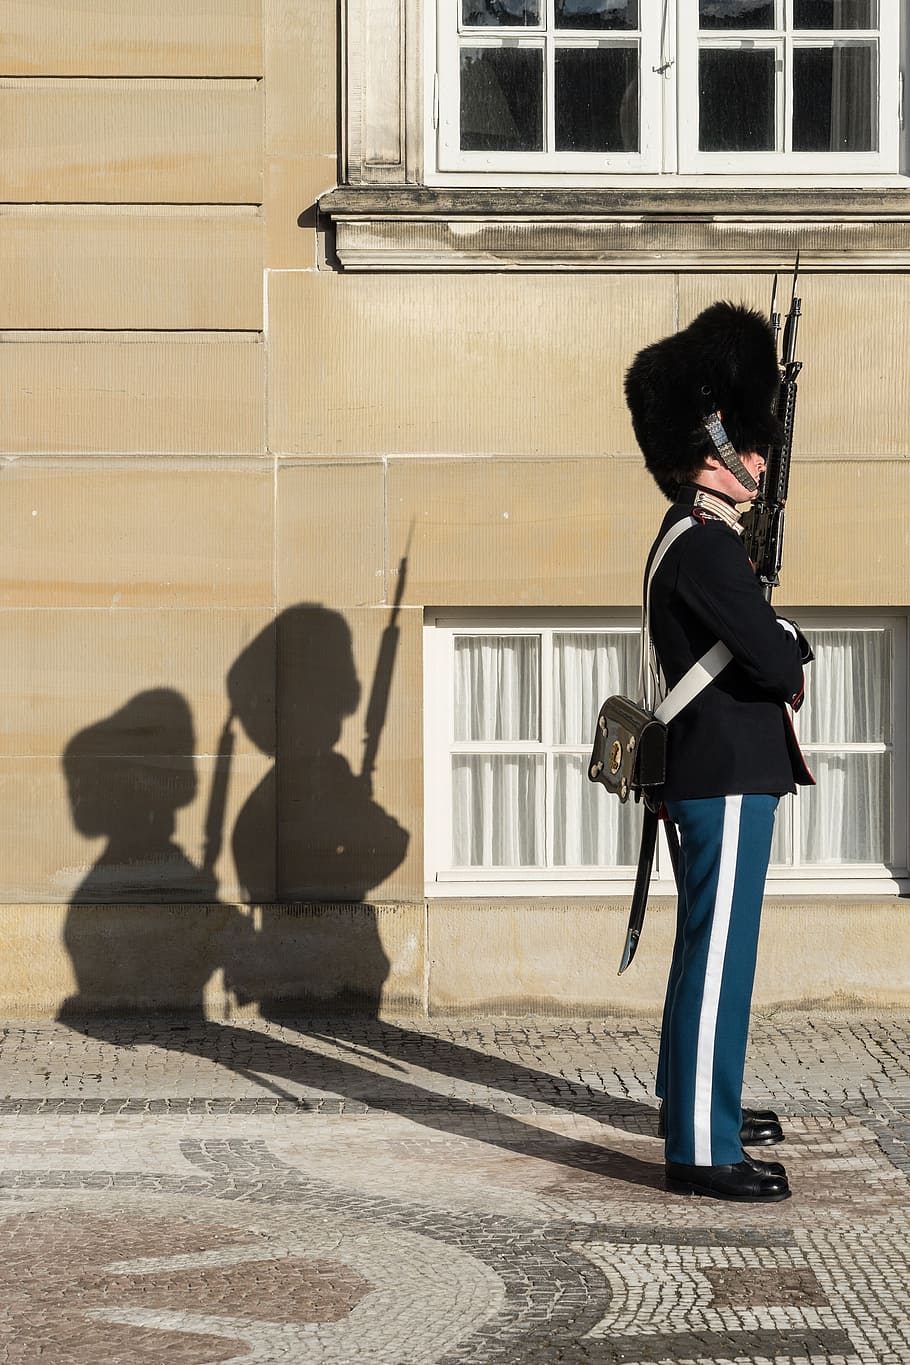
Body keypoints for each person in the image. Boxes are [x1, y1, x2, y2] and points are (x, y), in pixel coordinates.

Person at [624, 301, 814, 1203]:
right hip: (727, 773)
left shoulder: (699, 540)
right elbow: (774, 662)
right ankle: (702, 1146)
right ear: (716, 447)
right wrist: (793, 641)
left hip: (714, 769)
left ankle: (696, 1102)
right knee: (721, 958)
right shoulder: (705, 550)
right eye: (752, 443)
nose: (764, 462)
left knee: (707, 949)